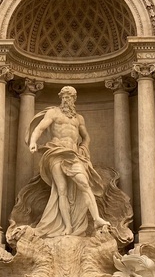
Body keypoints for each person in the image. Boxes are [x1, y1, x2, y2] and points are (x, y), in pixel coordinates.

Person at [27, 85, 110, 237]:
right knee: (62, 190)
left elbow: (86, 137)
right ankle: (67, 227)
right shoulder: (54, 113)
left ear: (74, 99)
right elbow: (39, 128)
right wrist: (33, 141)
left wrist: (84, 148)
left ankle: (97, 218)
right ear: (61, 98)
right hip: (56, 152)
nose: (66, 99)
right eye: (64, 96)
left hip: (73, 155)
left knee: (85, 184)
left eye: (69, 97)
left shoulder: (79, 119)